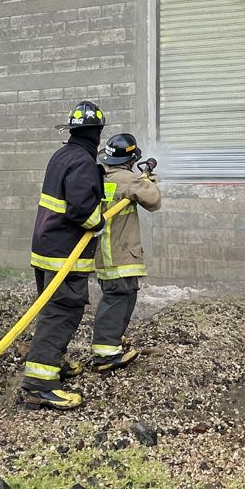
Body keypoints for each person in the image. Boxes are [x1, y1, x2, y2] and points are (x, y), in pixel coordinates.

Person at [20, 100, 108, 410]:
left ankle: (53, 363)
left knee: (51, 310)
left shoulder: (61, 156)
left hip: (46, 249)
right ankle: (40, 383)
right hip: (64, 255)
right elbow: (80, 210)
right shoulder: (83, 162)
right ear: (97, 132)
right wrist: (99, 222)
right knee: (62, 313)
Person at [90, 132, 160, 370]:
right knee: (117, 299)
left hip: (106, 252)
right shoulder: (127, 179)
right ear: (130, 160)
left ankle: (113, 340)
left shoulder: (104, 177)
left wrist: (142, 180)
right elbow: (154, 200)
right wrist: (147, 182)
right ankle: (106, 353)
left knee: (122, 296)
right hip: (120, 253)